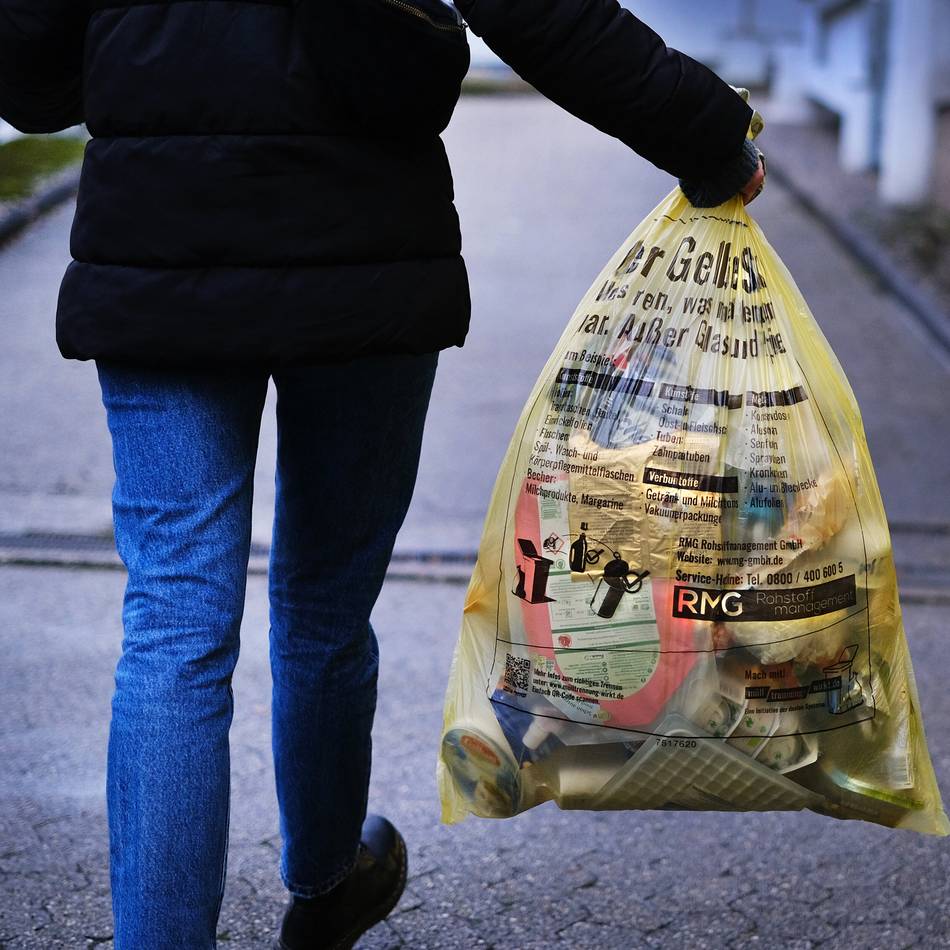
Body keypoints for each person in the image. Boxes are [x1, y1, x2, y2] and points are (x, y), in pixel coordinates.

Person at [0, 0, 764, 947]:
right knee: (324, 602)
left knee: (173, 619)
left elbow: (29, 70)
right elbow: (544, 15)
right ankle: (327, 885)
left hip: (162, 247)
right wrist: (708, 135)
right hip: (361, 246)